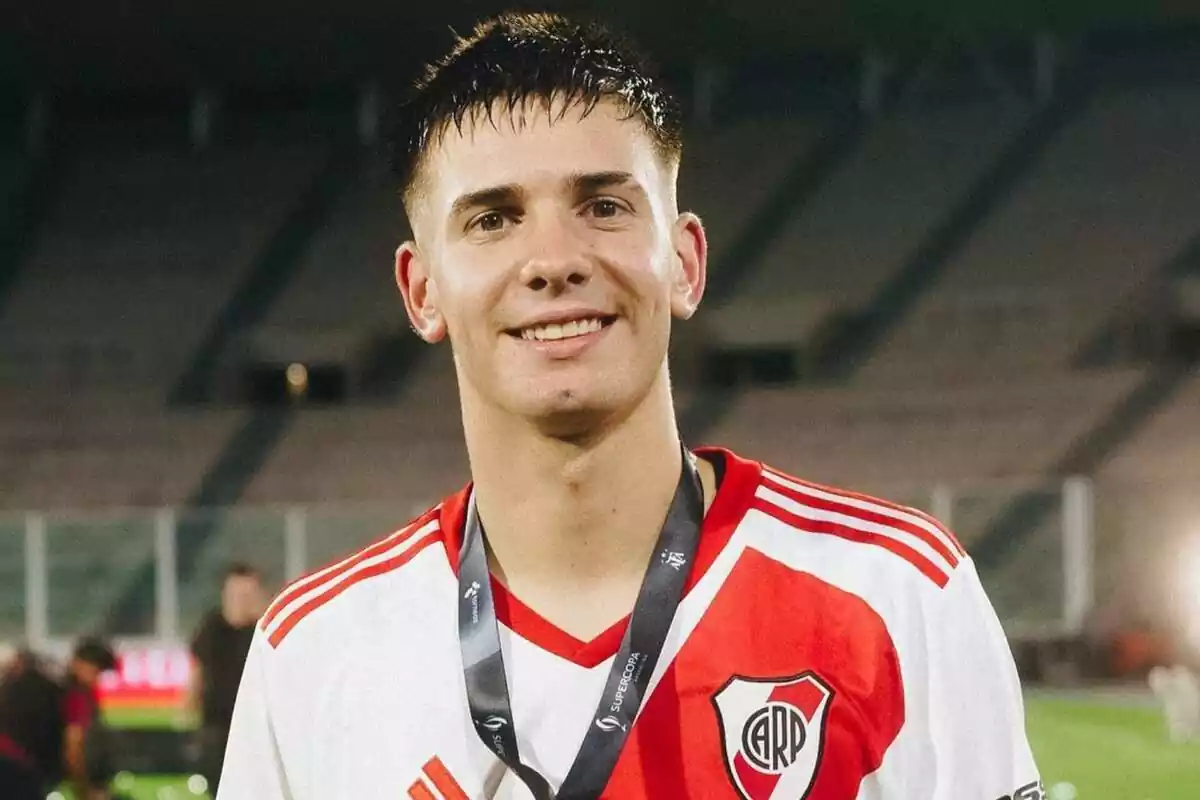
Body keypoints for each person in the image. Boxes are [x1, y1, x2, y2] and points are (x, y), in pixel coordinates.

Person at [218, 12, 1041, 799]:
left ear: (683, 261)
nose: (552, 260)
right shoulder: (313, 653)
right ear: (422, 289)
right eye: (493, 219)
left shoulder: (897, 598)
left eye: (603, 207)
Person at [187, 563, 266, 796]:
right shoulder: (211, 627)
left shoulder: (262, 630)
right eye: (237, 594)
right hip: (217, 721)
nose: (242, 600)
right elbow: (198, 668)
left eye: (248, 594)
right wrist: (191, 699)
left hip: (253, 721)